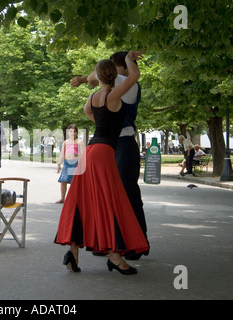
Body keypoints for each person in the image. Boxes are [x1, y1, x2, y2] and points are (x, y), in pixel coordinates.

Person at [55, 51, 149, 275]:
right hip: (105, 152)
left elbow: (89, 113)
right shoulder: (115, 95)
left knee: (81, 201)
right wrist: (128, 57)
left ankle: (73, 253)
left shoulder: (92, 98)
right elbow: (135, 74)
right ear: (114, 74)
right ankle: (115, 256)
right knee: (109, 202)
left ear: (98, 76)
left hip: (89, 151)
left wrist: (104, 122)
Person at [56, 124, 84, 204]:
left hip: (75, 164)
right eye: (70, 131)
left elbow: (83, 155)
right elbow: (62, 153)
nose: (72, 133)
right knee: (63, 181)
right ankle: (62, 198)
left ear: (77, 132)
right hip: (66, 164)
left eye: (74, 131)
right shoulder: (65, 142)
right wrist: (59, 164)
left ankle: (74, 199)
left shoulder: (79, 142)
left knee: (74, 182)